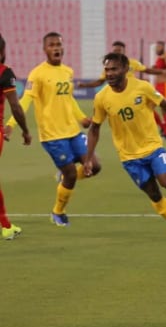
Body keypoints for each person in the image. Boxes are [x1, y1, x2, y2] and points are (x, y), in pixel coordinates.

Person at [84, 53, 166, 241]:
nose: (109, 73)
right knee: (153, 194)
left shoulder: (142, 88)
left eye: (114, 69)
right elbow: (94, 128)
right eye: (107, 69)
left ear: (126, 69)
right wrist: (88, 158)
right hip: (128, 156)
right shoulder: (101, 98)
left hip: (152, 148)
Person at [7, 32, 100, 226]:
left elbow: (69, 99)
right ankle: (58, 212)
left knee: (95, 166)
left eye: (59, 44)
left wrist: (81, 117)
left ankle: (62, 177)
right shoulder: (38, 74)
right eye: (52, 45)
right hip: (52, 136)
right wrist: (10, 124)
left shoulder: (68, 71)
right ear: (45, 49)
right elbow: (25, 100)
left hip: (73, 132)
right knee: (72, 175)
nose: (56, 48)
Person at [0, 34, 33, 240]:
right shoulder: (4, 72)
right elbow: (15, 106)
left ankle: (5, 225)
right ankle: (5, 226)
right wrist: (26, 131)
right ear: (3, 51)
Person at [77, 40, 163, 90]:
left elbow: (147, 70)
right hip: (117, 92)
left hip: (132, 91)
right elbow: (100, 81)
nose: (117, 53)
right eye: (115, 50)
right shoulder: (109, 66)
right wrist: (85, 85)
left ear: (124, 51)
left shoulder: (132, 62)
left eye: (119, 50)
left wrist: (162, 72)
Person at [152, 40, 166, 139]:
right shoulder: (158, 58)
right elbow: (158, 71)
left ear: (163, 47)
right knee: (149, 107)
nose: (157, 49)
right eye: (156, 47)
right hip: (157, 85)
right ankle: (162, 126)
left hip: (164, 85)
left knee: (165, 108)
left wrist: (165, 59)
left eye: (158, 47)